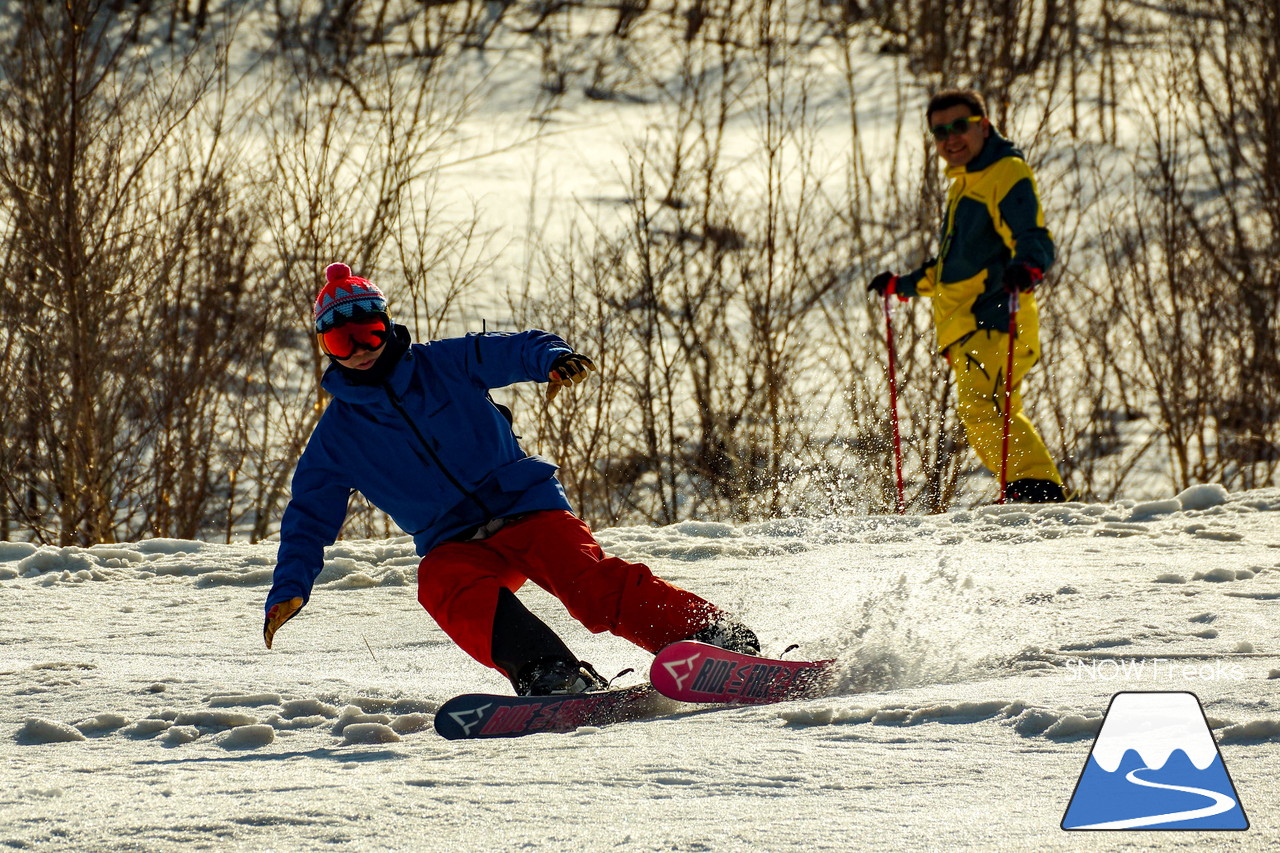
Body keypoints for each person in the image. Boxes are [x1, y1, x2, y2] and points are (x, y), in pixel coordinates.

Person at [263, 262, 758, 695]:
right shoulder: (337, 438)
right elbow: (308, 516)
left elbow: (512, 348)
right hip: (454, 541)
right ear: (327, 348)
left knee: (588, 587)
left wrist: (551, 360)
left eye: (368, 332)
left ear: (386, 324)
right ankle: (551, 673)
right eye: (340, 341)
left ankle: (710, 635)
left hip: (526, 507)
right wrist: (291, 585)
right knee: (441, 584)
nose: (359, 350)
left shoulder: (444, 363)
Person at [869, 89, 1067, 504]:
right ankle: (1029, 490)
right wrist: (902, 285)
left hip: (995, 317)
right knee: (984, 412)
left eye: (959, 126)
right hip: (968, 326)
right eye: (940, 131)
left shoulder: (1005, 172)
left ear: (984, 126)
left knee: (988, 410)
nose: (950, 138)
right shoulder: (965, 183)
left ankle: (1037, 493)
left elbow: (1033, 236)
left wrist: (1028, 267)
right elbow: (954, 268)